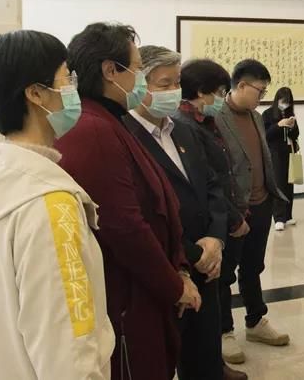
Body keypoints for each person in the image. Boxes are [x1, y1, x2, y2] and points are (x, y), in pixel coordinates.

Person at [0, 30, 114, 379]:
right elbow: (68, 354)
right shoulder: (50, 204)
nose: (74, 89)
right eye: (66, 78)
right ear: (36, 94)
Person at [56, 23, 201, 380]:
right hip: (128, 298)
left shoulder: (109, 121)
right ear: (110, 70)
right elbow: (124, 227)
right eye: (136, 68)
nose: (139, 79)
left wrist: (179, 266)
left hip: (142, 290)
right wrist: (175, 285)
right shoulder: (94, 129)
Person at [123, 46, 247, 380]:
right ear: (139, 85)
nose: (174, 91)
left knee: (205, 355)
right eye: (164, 84)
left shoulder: (183, 129)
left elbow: (212, 187)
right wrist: (192, 253)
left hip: (208, 262)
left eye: (176, 82)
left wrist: (216, 240)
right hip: (168, 267)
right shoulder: (125, 136)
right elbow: (139, 213)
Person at [214, 59, 290, 363]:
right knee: (224, 274)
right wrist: (231, 212)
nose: (263, 96)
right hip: (235, 210)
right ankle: (224, 331)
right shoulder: (216, 118)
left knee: (253, 267)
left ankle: (256, 321)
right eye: (260, 90)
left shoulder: (257, 117)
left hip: (261, 204)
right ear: (242, 85)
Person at [176, 58, 251, 366]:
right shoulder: (184, 126)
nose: (222, 98)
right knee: (211, 290)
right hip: (205, 228)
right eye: (220, 92)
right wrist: (231, 220)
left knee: (221, 284)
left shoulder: (205, 121)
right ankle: (214, 355)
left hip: (220, 220)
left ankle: (214, 363)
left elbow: (219, 178)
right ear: (201, 91)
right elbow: (207, 181)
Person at [263, 87, 300, 231]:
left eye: (288, 101)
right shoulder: (268, 114)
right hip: (275, 153)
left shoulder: (290, 114)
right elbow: (266, 135)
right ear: (277, 100)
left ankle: (288, 215)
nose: (285, 104)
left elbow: (296, 135)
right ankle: (279, 217)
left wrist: (292, 127)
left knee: (289, 183)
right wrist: (279, 125)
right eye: (283, 101)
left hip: (289, 152)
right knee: (279, 184)